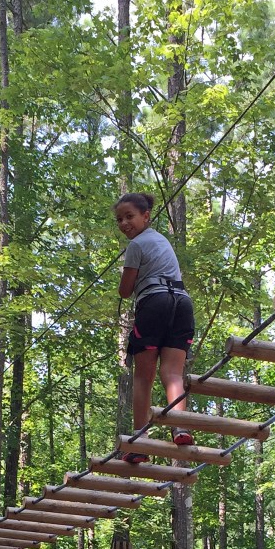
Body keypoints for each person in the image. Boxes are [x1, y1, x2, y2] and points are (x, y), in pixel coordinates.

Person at [115, 192, 195, 463]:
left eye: (129, 217)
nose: (124, 223)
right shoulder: (162, 240)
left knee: (143, 376)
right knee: (172, 373)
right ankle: (180, 427)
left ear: (146, 216)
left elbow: (125, 291)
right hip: (182, 304)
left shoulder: (136, 245)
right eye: (119, 219)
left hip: (155, 304)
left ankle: (140, 442)